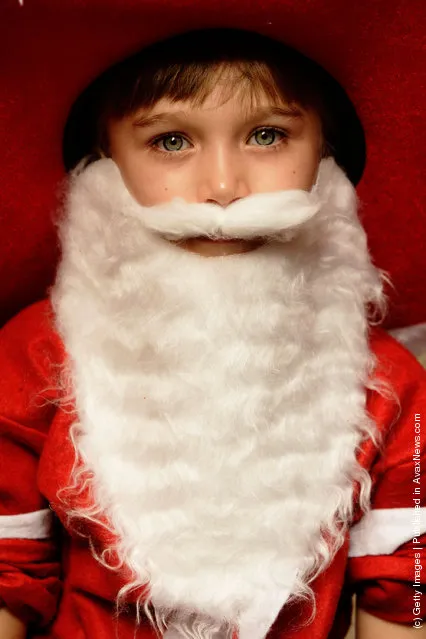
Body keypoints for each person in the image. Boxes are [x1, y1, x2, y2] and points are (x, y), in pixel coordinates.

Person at [0, 16, 425, 639]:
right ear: (106, 162)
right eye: (171, 142)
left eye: (267, 135)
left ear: (325, 155)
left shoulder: (389, 383)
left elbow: (406, 594)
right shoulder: (33, 354)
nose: (223, 189)